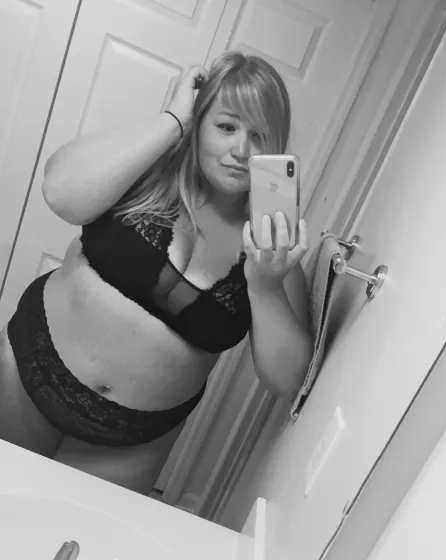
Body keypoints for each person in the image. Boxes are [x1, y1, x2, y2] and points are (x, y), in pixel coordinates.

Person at [0, 51, 312, 494]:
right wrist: (172, 120)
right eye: (226, 127)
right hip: (28, 373)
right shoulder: (143, 173)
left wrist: (264, 286)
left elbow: (287, 381)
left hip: (131, 442)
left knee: (67, 532)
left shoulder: (273, 249)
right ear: (200, 122)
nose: (242, 151)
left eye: (259, 135)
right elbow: (59, 191)